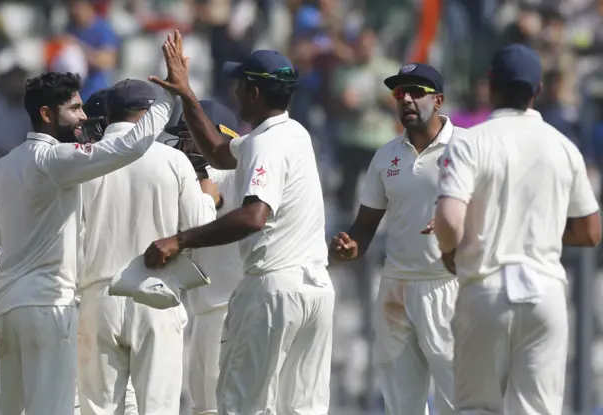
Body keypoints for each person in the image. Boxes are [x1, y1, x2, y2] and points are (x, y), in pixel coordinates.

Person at [0, 34, 181, 415]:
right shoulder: (55, 159)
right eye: (75, 109)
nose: (84, 117)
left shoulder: (4, 167)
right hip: (49, 306)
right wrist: (169, 97)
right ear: (47, 115)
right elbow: (128, 147)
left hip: (9, 310)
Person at [144, 32, 334, 415]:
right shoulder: (292, 133)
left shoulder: (266, 144)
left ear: (255, 94)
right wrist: (185, 92)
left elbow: (254, 216)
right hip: (316, 290)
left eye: (240, 85)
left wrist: (180, 240)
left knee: (239, 406)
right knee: (301, 408)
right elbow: (216, 150)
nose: (234, 91)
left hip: (274, 288)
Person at [434, 44, 601, 414]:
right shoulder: (563, 146)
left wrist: (450, 252)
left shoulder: (469, 142)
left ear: (490, 87)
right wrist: (538, 232)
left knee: (478, 408)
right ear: (537, 91)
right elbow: (590, 232)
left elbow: (448, 221)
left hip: (486, 290)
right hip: (545, 295)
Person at [77, 78, 220, 415]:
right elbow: (200, 226)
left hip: (98, 297)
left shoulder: (83, 161)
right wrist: (208, 198)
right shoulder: (172, 161)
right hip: (156, 295)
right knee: (158, 409)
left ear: (109, 114)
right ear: (149, 115)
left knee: (97, 410)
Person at [330, 63, 461, 415]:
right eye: (400, 93)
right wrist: (350, 246)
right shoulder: (385, 155)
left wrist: (457, 221)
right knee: (401, 404)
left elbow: (494, 211)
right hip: (396, 287)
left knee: (458, 399)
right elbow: (364, 227)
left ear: (439, 101)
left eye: (416, 92)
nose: (406, 99)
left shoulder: (466, 146)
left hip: (449, 284)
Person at [161, 99, 243, 415]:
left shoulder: (218, 179)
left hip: (221, 312)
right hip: (211, 313)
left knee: (211, 409)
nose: (182, 145)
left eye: (189, 136)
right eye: (181, 137)